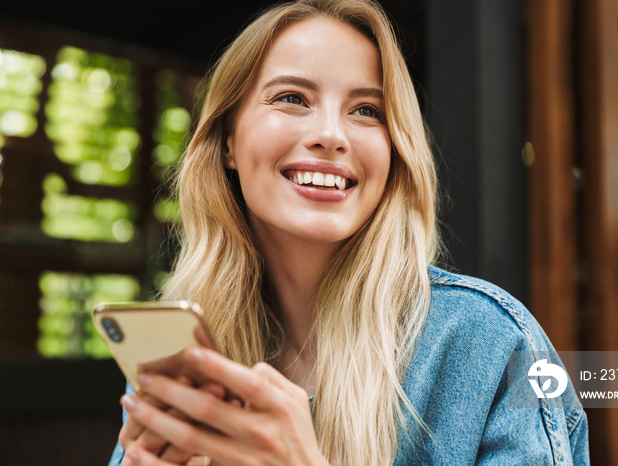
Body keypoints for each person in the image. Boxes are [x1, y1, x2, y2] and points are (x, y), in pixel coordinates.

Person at [110, 0, 589, 464]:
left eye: (366, 110)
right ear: (228, 141)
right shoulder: (181, 360)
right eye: (292, 98)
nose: (332, 135)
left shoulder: (490, 343)